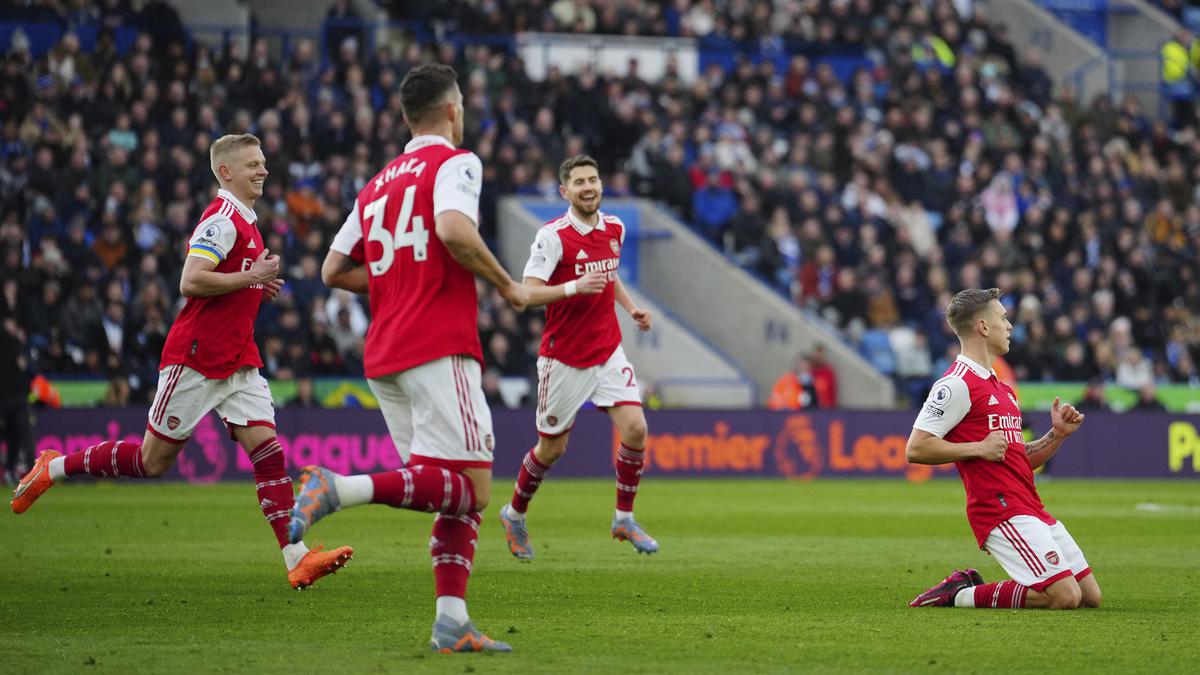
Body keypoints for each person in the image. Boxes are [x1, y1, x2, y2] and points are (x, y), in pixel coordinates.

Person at [11, 134, 353, 590]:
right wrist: (249, 275)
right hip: (196, 359)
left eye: (264, 162)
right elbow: (190, 281)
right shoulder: (222, 219)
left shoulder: (249, 222)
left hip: (238, 360)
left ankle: (296, 558)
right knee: (152, 462)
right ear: (225, 172)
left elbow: (227, 280)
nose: (263, 171)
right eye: (253, 164)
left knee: (269, 453)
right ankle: (52, 467)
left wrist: (253, 286)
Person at [288, 64, 544, 654]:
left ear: (405, 117)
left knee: (441, 484)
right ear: (453, 110)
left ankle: (451, 622)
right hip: (438, 344)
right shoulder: (457, 162)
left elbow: (332, 269)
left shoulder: (376, 184)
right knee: (475, 489)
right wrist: (507, 285)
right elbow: (455, 230)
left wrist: (395, 282)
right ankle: (337, 487)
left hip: (385, 351)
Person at [496, 154, 657, 563]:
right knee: (552, 450)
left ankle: (623, 518)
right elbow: (526, 293)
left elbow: (608, 273)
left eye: (593, 178)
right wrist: (572, 288)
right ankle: (514, 515)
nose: (588, 187)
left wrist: (630, 307)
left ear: (601, 184)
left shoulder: (615, 228)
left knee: (636, 429)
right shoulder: (552, 237)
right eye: (579, 182)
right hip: (563, 359)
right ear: (564, 192)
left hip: (606, 349)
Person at [906, 288, 1101, 610]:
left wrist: (1058, 434)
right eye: (1003, 318)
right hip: (999, 508)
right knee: (1065, 597)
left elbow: (1017, 458)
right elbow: (916, 448)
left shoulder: (1002, 387)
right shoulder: (955, 384)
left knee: (1090, 597)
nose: (1009, 326)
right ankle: (958, 594)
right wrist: (977, 448)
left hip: (1030, 504)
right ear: (983, 327)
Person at [0, 318, 33, 485]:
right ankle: (26, 472)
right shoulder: (16, 343)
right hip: (15, 396)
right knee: (20, 436)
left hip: (13, 396)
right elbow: (24, 366)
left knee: (17, 437)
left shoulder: (15, 342)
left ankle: (13, 470)